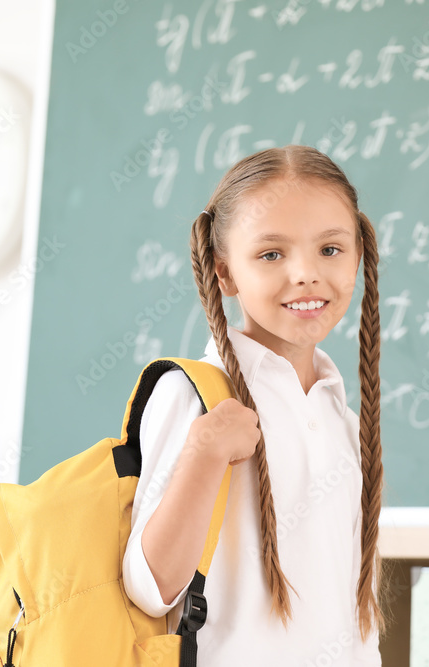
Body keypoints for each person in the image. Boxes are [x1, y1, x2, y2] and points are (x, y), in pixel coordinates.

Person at [122, 144, 385, 665]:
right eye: (271, 254)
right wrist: (204, 452)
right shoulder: (196, 396)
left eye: (330, 249)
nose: (306, 274)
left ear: (359, 254)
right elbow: (150, 587)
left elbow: (354, 618)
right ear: (225, 274)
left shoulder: (343, 418)